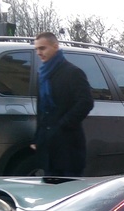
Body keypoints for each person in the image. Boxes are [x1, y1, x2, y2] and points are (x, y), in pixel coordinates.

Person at [31, 32, 94, 176]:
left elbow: (86, 102)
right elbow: (42, 110)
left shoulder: (73, 73)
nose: (39, 53)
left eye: (42, 48)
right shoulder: (42, 75)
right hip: (49, 148)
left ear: (55, 46)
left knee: (71, 193)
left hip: (69, 147)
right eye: (37, 49)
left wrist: (62, 125)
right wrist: (38, 137)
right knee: (51, 190)